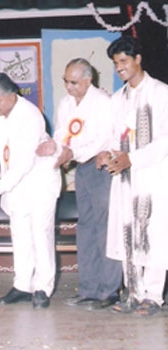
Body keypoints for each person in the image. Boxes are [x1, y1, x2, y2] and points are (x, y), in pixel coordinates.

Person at [35, 58, 122, 310]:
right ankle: (88, 289)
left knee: (104, 228)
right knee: (86, 227)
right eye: (65, 81)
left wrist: (70, 154)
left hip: (102, 166)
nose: (68, 86)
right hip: (82, 170)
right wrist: (57, 149)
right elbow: (62, 133)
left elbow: (102, 139)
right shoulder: (65, 103)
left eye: (73, 82)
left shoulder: (103, 102)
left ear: (88, 80)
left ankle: (109, 291)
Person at [96, 36, 168, 316]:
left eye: (124, 61)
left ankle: (153, 296)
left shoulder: (161, 93)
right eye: (115, 64)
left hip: (153, 174)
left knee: (153, 233)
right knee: (128, 230)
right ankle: (133, 293)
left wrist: (132, 159)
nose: (119, 69)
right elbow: (116, 136)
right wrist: (108, 153)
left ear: (138, 59)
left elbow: (164, 140)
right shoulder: (118, 98)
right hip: (125, 177)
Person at [0, 73, 61, 309]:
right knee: (20, 236)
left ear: (12, 97)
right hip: (14, 186)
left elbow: (23, 164)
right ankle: (22, 286)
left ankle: (43, 288)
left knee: (40, 236)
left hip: (39, 183)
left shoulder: (30, 116)